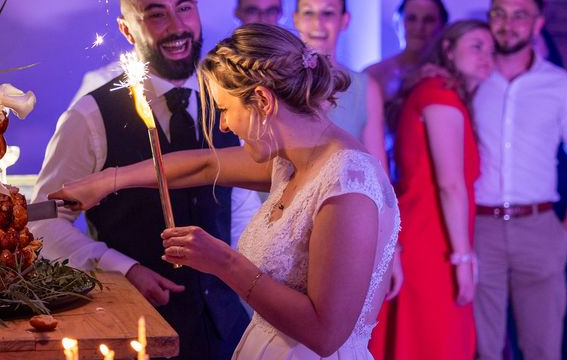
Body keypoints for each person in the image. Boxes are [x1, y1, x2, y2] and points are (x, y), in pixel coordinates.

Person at [51, 23, 400, 359]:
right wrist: (107, 181)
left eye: (224, 109)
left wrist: (221, 261)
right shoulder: (293, 160)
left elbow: (324, 333)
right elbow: (203, 164)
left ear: (262, 101)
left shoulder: (346, 183)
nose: (223, 125)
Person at [30, 0, 259, 360]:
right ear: (126, 29)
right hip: (135, 333)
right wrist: (122, 268)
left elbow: (241, 214)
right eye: (156, 14)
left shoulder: (229, 102)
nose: (176, 26)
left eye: (184, 7)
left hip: (229, 334)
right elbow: (43, 224)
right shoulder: (90, 116)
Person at [372, 20, 494, 359]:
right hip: (432, 241)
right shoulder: (440, 96)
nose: (488, 55)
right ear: (448, 50)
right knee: (436, 342)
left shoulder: (437, 91)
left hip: (429, 235)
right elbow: (450, 185)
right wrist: (462, 257)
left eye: (491, 49)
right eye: (476, 46)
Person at [473, 0, 567, 360]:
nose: (507, 24)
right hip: (480, 229)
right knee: (484, 348)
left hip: (540, 226)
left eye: (520, 16)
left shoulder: (559, 85)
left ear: (537, 23)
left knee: (542, 347)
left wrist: (564, 234)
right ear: (489, 17)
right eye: (499, 13)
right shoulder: (471, 80)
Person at [293, 0, 387, 166]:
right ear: (295, 19)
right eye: (308, 12)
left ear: (344, 20)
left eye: (327, 13)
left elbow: (378, 169)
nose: (317, 22)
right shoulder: (277, 79)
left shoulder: (365, 88)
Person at [365, 0, 449, 104]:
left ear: (442, 26)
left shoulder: (451, 75)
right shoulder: (374, 75)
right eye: (411, 19)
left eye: (429, 20)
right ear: (397, 24)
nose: (419, 27)